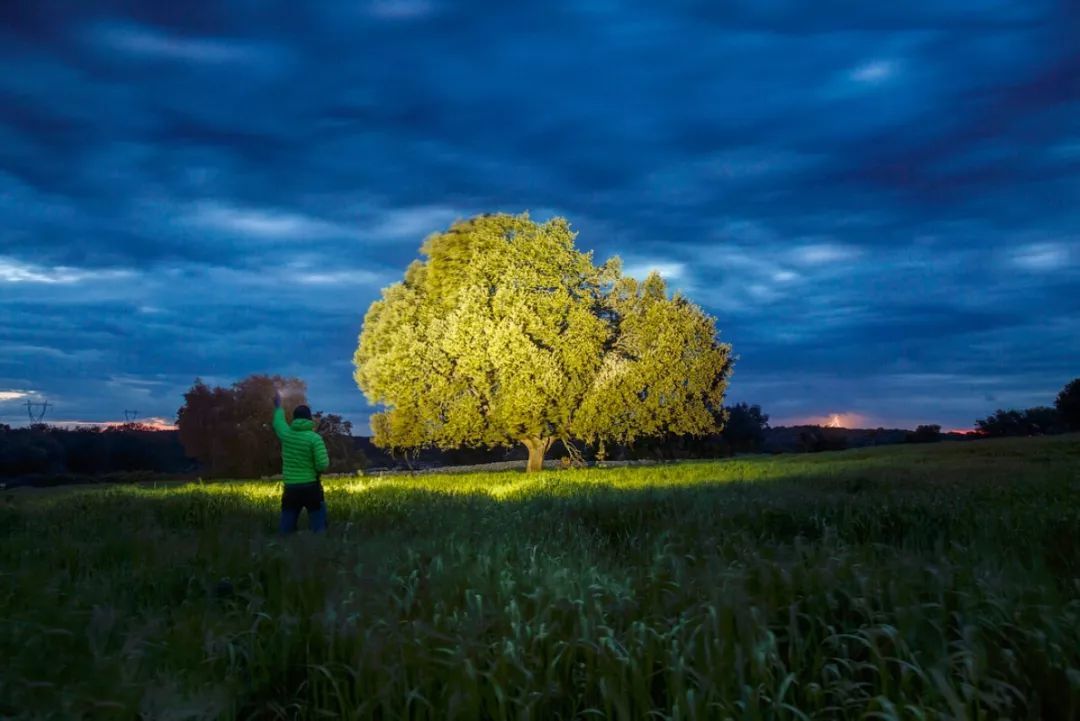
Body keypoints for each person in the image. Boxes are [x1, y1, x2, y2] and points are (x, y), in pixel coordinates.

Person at [273, 390, 330, 534]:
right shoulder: (314, 438)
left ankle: (283, 548)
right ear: (309, 419)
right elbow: (322, 465)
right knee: (318, 523)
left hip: (291, 487)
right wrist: (316, 470)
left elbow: (278, 423)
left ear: (294, 418)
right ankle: (320, 546)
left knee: (286, 524)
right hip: (311, 486)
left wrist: (278, 406)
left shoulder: (286, 435)